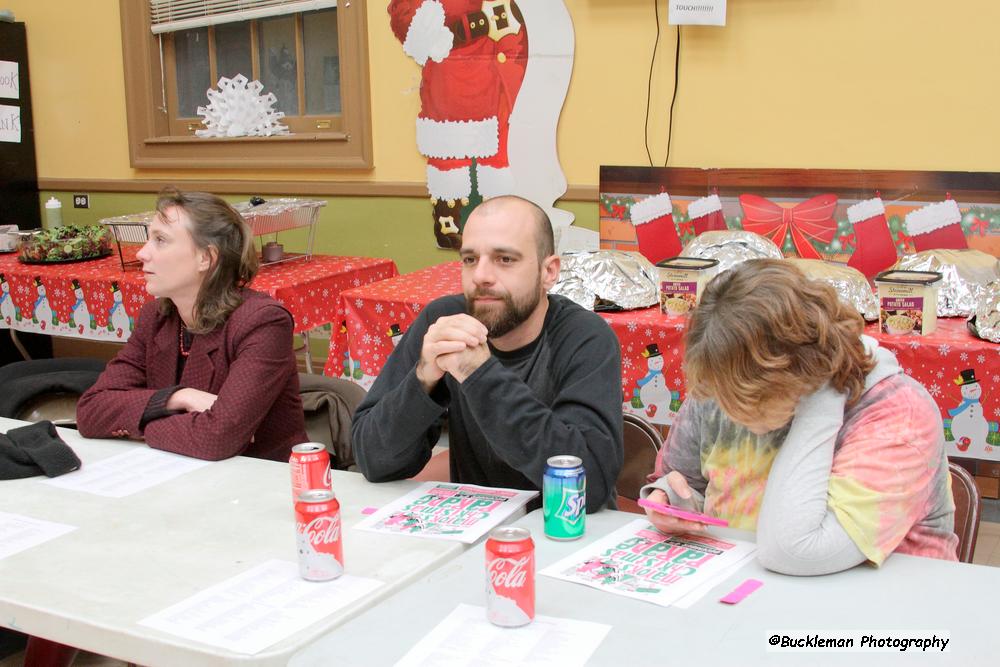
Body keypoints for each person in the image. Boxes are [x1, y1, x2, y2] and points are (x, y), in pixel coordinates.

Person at [641, 259, 957, 575]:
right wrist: (671, 500)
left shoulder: (899, 415)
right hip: (746, 588)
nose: (728, 408)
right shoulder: (724, 379)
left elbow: (794, 552)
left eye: (748, 400)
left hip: (886, 607)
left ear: (797, 369)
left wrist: (822, 394)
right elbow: (681, 480)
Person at [352, 195, 623, 511]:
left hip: (567, 537)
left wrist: (480, 375)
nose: (480, 276)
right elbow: (373, 460)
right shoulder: (443, 322)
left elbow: (588, 486)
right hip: (473, 532)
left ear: (549, 272)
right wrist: (422, 380)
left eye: (505, 259)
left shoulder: (584, 337)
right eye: (470, 259)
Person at [76, 190, 307, 461]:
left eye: (160, 240)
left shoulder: (262, 322)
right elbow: (90, 412)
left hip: (259, 484)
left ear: (206, 258)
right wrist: (178, 397)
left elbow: (218, 438)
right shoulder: (156, 318)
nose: (141, 253)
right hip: (176, 472)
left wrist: (139, 423)